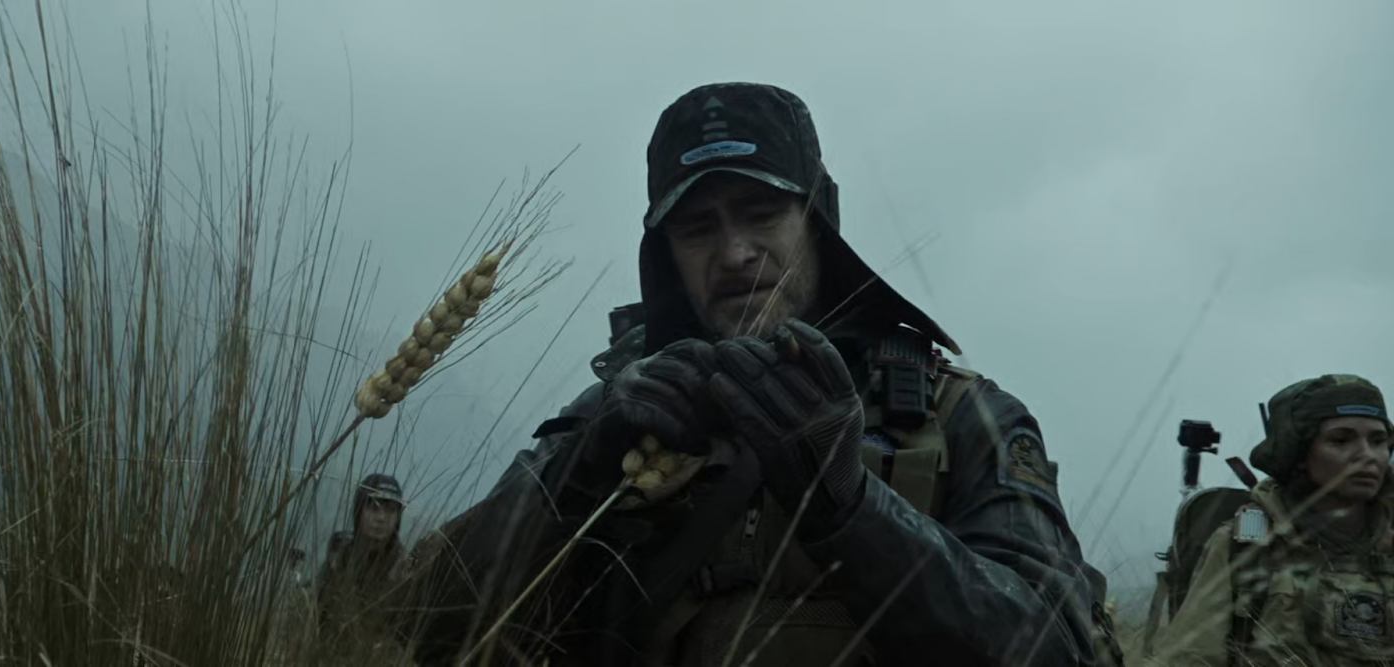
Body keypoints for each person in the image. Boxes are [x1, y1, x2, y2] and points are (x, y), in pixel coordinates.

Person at [403, 82, 1117, 666]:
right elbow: (427, 630)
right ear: (665, 255)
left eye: (762, 213)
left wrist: (852, 508)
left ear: (817, 219)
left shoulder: (957, 415)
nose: (735, 253)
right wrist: (578, 476)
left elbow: (1057, 648)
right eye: (697, 228)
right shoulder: (613, 417)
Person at [1154, 374, 1394, 666]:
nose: (1367, 455)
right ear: (1299, 453)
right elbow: (1192, 658)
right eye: (1340, 440)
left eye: (1378, 441)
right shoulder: (1246, 546)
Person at [317, 473, 408, 631]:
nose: (381, 518)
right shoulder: (338, 558)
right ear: (359, 511)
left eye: (391, 510)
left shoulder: (403, 570)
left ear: (398, 518)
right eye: (374, 508)